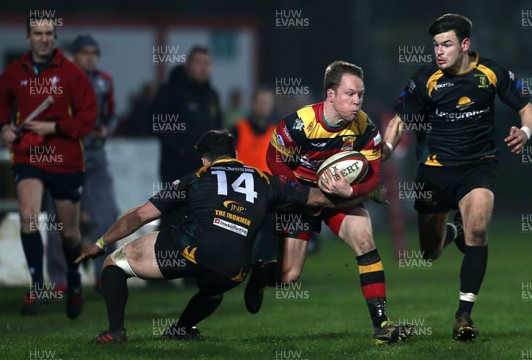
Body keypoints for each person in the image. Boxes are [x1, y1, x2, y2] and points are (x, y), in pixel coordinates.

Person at [75, 129, 367, 344]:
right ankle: (182, 329)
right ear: (236, 155)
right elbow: (319, 199)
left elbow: (140, 216)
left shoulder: (197, 176)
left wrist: (100, 244)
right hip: (235, 268)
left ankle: (115, 332)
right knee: (212, 288)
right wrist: (358, 192)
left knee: (115, 264)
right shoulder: (267, 181)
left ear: (204, 158)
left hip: (191, 250)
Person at [382, 14, 532, 341]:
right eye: (436, 45)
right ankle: (452, 229)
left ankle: (463, 315)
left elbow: (528, 110)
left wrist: (524, 132)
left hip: (478, 167)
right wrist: (382, 151)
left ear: (465, 45)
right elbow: (399, 121)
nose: (439, 51)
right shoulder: (425, 78)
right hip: (434, 173)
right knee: (430, 252)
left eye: (447, 44)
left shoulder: (492, 72)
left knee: (478, 232)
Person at [246, 60, 414, 345]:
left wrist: (350, 191)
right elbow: (274, 159)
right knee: (289, 276)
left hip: (339, 198)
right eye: (350, 94)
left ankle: (382, 326)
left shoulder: (364, 126)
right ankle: (262, 275)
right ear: (331, 95)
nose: (357, 100)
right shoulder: (300, 123)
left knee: (364, 239)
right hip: (301, 198)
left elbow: (373, 176)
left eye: (360, 94)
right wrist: (301, 193)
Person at [0, 15, 97, 318]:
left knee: (69, 234)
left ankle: (74, 280)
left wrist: (52, 126)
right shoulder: (14, 73)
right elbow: (2, 108)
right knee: (29, 215)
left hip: (66, 160)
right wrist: (4, 128)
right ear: (27, 36)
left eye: (48, 33)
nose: (43, 38)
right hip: (28, 156)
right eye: (37, 33)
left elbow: (87, 119)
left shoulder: (72, 75)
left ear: (54, 37)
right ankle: (38, 286)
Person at [46, 35, 120, 293]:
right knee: (58, 223)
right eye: (85, 53)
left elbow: (112, 116)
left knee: (107, 217)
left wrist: (105, 131)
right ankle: (60, 281)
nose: (90, 57)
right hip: (65, 158)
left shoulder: (104, 82)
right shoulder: (59, 81)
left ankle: (106, 274)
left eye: (94, 53)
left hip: (96, 158)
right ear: (74, 55)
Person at [150, 45, 223, 231]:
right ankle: (164, 257)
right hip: (177, 168)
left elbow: (219, 127)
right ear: (188, 65)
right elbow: (157, 122)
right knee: (173, 216)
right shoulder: (172, 91)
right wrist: (181, 149)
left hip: (206, 169)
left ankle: (194, 258)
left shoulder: (211, 95)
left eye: (207, 63)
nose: (203, 67)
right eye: (199, 62)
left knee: (202, 216)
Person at [230, 87, 278, 261]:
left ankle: (261, 267)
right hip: (241, 191)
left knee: (271, 229)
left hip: (267, 190)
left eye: (267, 103)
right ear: (253, 104)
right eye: (261, 102)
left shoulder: (275, 132)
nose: (264, 106)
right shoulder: (238, 129)